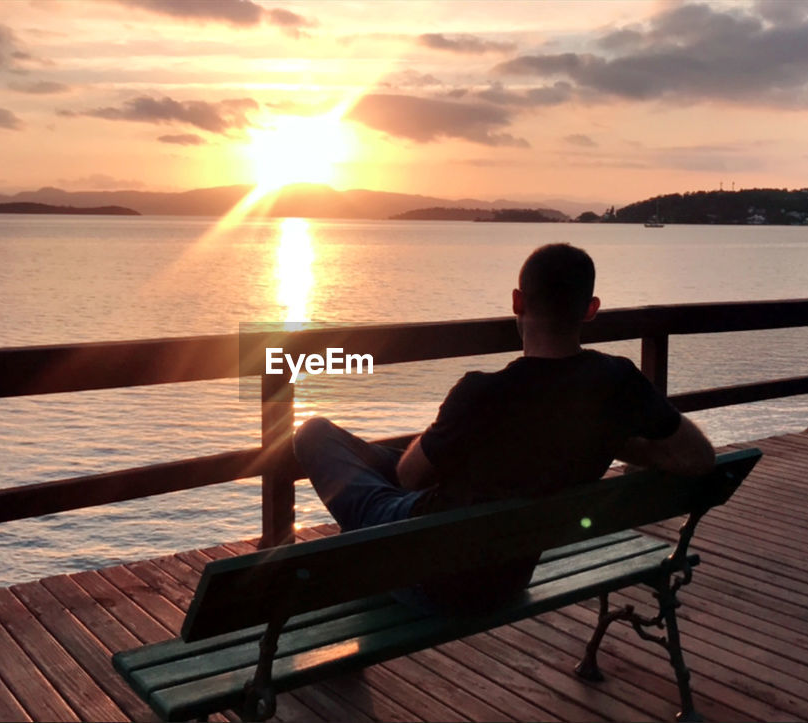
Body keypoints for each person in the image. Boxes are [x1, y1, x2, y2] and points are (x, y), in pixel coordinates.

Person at [292, 243, 715, 614]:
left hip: (430, 578)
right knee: (373, 460)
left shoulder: (480, 393)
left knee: (314, 433)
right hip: (510, 575)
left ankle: (358, 575)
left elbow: (408, 478)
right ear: (590, 309)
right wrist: (610, 437)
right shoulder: (618, 381)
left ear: (517, 301)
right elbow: (699, 457)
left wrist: (447, 434)